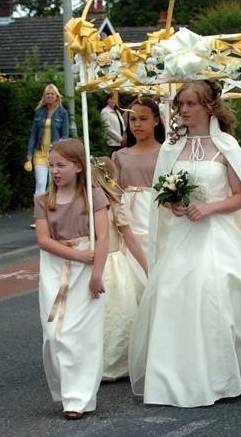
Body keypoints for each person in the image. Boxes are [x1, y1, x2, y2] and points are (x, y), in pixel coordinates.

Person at [129, 80, 241, 408]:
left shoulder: (226, 145)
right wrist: (175, 204)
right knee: (174, 295)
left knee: (222, 289)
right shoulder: (171, 148)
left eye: (190, 104)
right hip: (184, 234)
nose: (183, 110)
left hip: (218, 233)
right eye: (180, 104)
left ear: (209, 106)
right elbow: (162, 194)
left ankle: (231, 370)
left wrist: (209, 207)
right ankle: (178, 374)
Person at [34, 139, 109, 419]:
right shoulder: (43, 200)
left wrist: (97, 273)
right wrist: (78, 257)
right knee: (54, 334)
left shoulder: (92, 196)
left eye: (61, 165)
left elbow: (103, 237)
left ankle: (78, 399)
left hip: (88, 269)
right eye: (52, 165)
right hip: (56, 267)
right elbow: (43, 239)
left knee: (82, 335)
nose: (55, 170)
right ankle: (66, 389)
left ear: (78, 166)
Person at [91, 157, 148, 381]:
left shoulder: (114, 203)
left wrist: (146, 267)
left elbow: (129, 238)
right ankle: (98, 360)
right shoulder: (85, 206)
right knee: (102, 313)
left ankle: (115, 360)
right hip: (96, 262)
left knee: (117, 312)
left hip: (113, 262)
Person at [112, 97, 165, 260]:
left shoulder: (165, 152)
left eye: (143, 119)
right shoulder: (120, 155)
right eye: (133, 119)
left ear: (155, 120)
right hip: (126, 214)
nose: (137, 124)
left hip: (154, 212)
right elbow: (114, 190)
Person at [27, 84, 69, 227]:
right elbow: (33, 134)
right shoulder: (39, 112)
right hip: (39, 153)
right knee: (40, 184)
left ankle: (53, 215)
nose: (49, 96)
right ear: (44, 97)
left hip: (54, 155)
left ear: (57, 96)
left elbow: (65, 135)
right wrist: (29, 153)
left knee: (53, 185)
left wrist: (60, 150)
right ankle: (38, 217)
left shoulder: (62, 113)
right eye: (47, 94)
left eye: (52, 94)